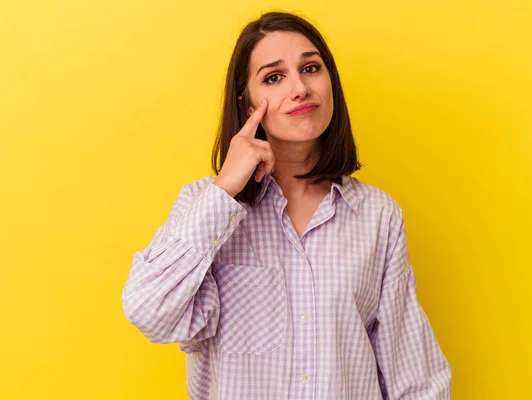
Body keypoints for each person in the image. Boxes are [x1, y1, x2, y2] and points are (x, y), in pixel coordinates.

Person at [122, 11, 451, 400]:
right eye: (274, 77)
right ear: (247, 106)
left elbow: (414, 376)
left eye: (311, 68)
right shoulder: (203, 206)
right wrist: (225, 187)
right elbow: (149, 312)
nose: (299, 88)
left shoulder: (378, 216)